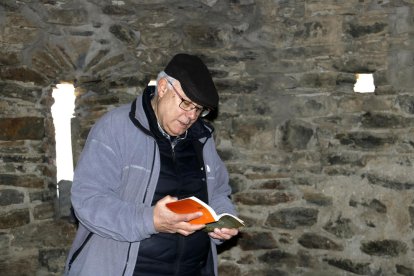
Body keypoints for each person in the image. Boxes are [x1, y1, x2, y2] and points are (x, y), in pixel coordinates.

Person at [64, 53, 239, 276]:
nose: (191, 116)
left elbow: (219, 192)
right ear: (163, 87)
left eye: (199, 109)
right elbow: (87, 201)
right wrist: (150, 220)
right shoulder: (115, 128)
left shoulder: (202, 139)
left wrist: (222, 218)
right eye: (186, 103)